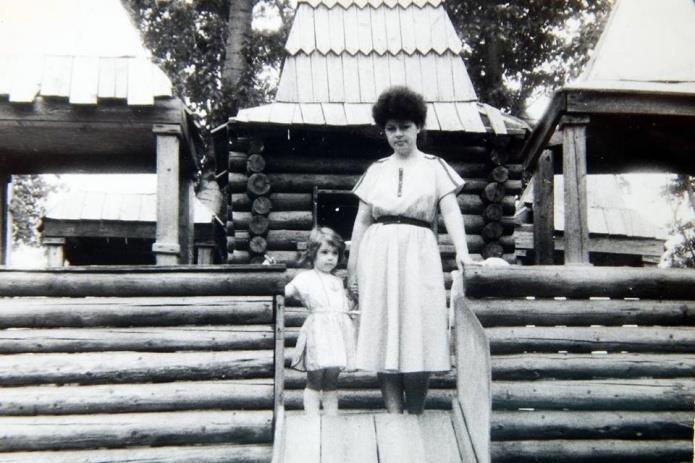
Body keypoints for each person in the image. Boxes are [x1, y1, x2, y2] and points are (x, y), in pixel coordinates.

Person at [347, 86, 477, 414]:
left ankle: (416, 412)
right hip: (379, 254)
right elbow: (361, 221)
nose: (398, 134)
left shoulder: (435, 167)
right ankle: (394, 417)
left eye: (404, 126)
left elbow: (450, 211)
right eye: (391, 128)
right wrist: (352, 267)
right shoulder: (377, 169)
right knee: (384, 330)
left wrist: (462, 251)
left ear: (418, 126)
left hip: (419, 254)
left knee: (418, 329)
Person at [286, 227, 357, 416]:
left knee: (332, 378)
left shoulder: (338, 281)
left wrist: (353, 298)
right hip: (319, 332)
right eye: (324, 252)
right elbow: (287, 291)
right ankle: (312, 418)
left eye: (334, 253)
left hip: (337, 334)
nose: (330, 258)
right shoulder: (305, 278)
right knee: (316, 376)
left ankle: (331, 418)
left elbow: (343, 308)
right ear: (312, 253)